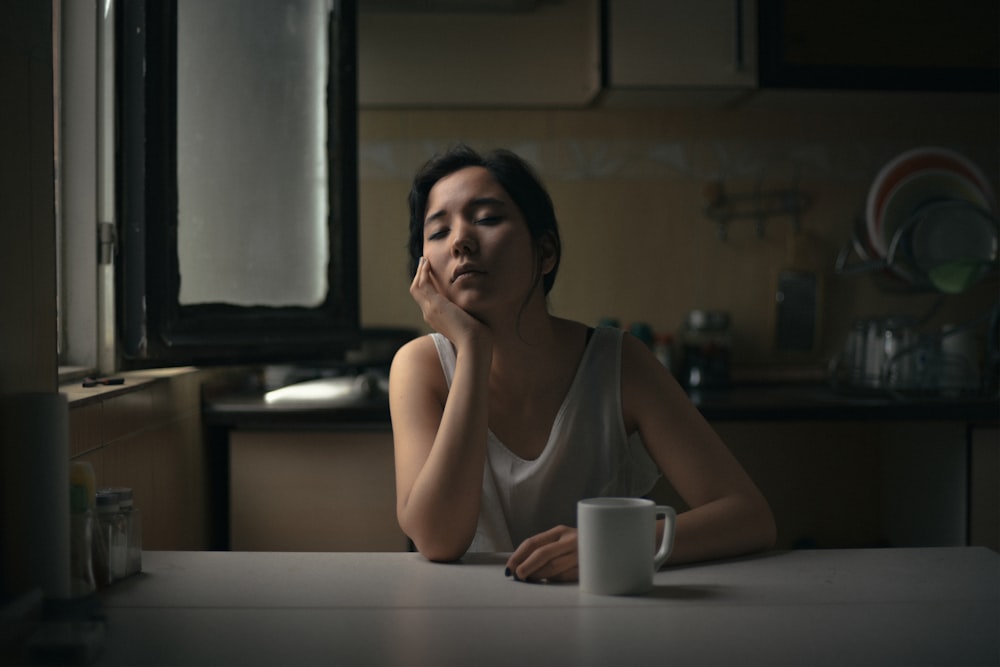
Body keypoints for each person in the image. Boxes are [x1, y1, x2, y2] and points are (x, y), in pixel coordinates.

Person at [389, 144, 775, 583]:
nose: (460, 240)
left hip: (602, 612)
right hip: (465, 626)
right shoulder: (420, 366)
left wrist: (612, 544)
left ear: (546, 251)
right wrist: (474, 347)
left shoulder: (620, 362)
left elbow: (749, 517)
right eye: (438, 232)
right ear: (425, 271)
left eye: (487, 218)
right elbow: (438, 540)